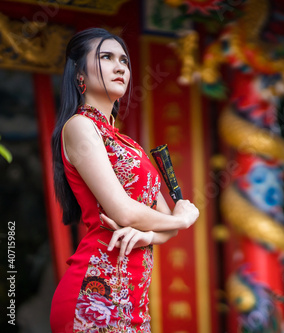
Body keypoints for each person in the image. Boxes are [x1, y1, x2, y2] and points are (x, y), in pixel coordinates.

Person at [50, 28, 199, 332]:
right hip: (95, 293)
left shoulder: (130, 146)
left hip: (134, 300)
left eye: (124, 61)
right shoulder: (80, 127)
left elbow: (162, 221)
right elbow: (124, 212)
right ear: (79, 73)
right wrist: (184, 220)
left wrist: (149, 236)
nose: (120, 67)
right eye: (106, 57)